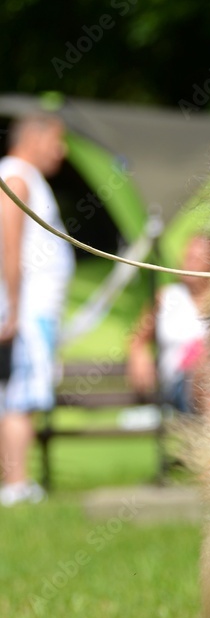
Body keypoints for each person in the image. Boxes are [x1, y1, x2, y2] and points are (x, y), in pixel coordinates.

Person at [0, 112, 74, 506]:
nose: (62, 151)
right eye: (56, 141)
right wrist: (12, 308)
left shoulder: (21, 177)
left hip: (30, 311)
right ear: (34, 137)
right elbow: (8, 245)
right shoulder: (17, 178)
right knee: (20, 398)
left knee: (18, 396)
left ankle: (14, 481)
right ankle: (16, 485)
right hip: (26, 313)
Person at [128, 234, 210, 414]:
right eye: (187, 257)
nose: (188, 263)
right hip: (179, 385)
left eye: (196, 259)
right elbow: (138, 338)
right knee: (207, 367)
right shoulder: (166, 297)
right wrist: (139, 354)